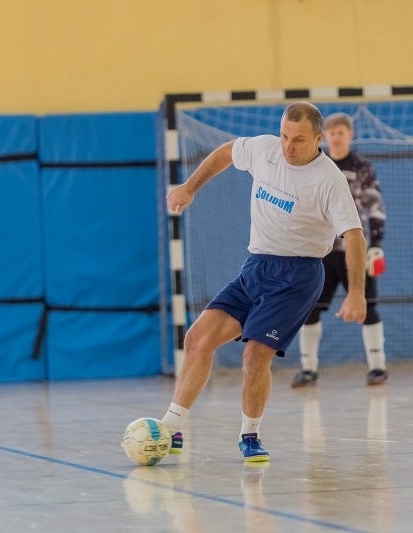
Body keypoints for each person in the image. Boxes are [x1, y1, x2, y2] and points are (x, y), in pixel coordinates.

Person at [160, 102, 367, 464]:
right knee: (197, 339)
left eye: (299, 140)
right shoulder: (265, 149)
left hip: (298, 276)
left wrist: (356, 293)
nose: (288, 146)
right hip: (256, 266)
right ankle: (170, 428)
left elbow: (354, 235)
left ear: (319, 139)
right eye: (285, 135)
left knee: (255, 354)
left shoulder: (328, 179)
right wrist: (190, 187)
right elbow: (226, 153)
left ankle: (250, 435)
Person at [291, 112, 389, 388]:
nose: (336, 137)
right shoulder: (313, 166)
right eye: (332, 133)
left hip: (354, 249)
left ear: (350, 135)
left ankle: (377, 367)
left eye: (341, 133)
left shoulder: (361, 167)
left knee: (367, 306)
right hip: (320, 251)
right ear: (324, 136)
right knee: (309, 308)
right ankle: (308, 369)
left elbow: (375, 204)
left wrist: (377, 245)